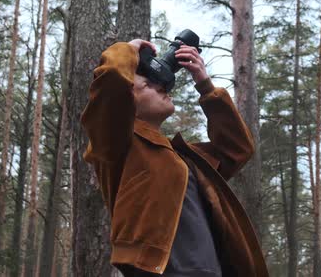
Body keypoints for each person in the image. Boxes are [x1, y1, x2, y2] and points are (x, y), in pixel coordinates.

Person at [81, 39, 269, 276]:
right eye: (148, 84)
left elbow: (237, 148)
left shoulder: (183, 159)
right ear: (126, 103)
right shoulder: (117, 143)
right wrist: (129, 49)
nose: (162, 87)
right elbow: (110, 84)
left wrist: (205, 86)